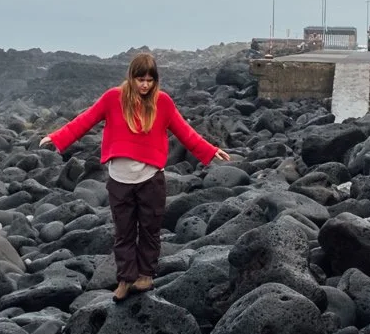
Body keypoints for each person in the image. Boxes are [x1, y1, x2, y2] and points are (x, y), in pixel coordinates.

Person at [41, 52, 230, 301]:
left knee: (150, 229)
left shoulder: (162, 103)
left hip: (151, 178)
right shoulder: (113, 98)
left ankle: (145, 275)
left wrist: (210, 149)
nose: (144, 85)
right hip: (119, 179)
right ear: (131, 77)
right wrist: (57, 138)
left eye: (150, 80)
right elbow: (85, 120)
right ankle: (125, 279)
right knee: (124, 232)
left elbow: (185, 131)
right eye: (140, 79)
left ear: (155, 81)